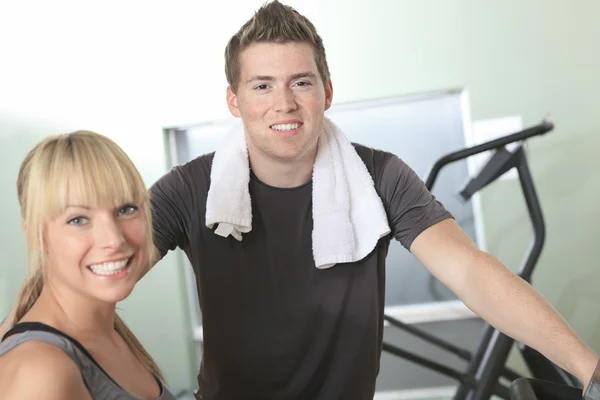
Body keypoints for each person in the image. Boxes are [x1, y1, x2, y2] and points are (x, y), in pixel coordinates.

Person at [146, 1, 600, 399]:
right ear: (234, 100)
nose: (283, 103)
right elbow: (103, 270)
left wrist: (588, 368)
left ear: (326, 92)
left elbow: (469, 270)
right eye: (262, 85)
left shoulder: (379, 177)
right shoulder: (189, 188)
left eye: (300, 82)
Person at [0, 132, 176, 400]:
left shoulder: (111, 333)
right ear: (36, 235)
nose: (114, 240)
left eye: (126, 209)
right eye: (78, 220)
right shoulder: (39, 371)